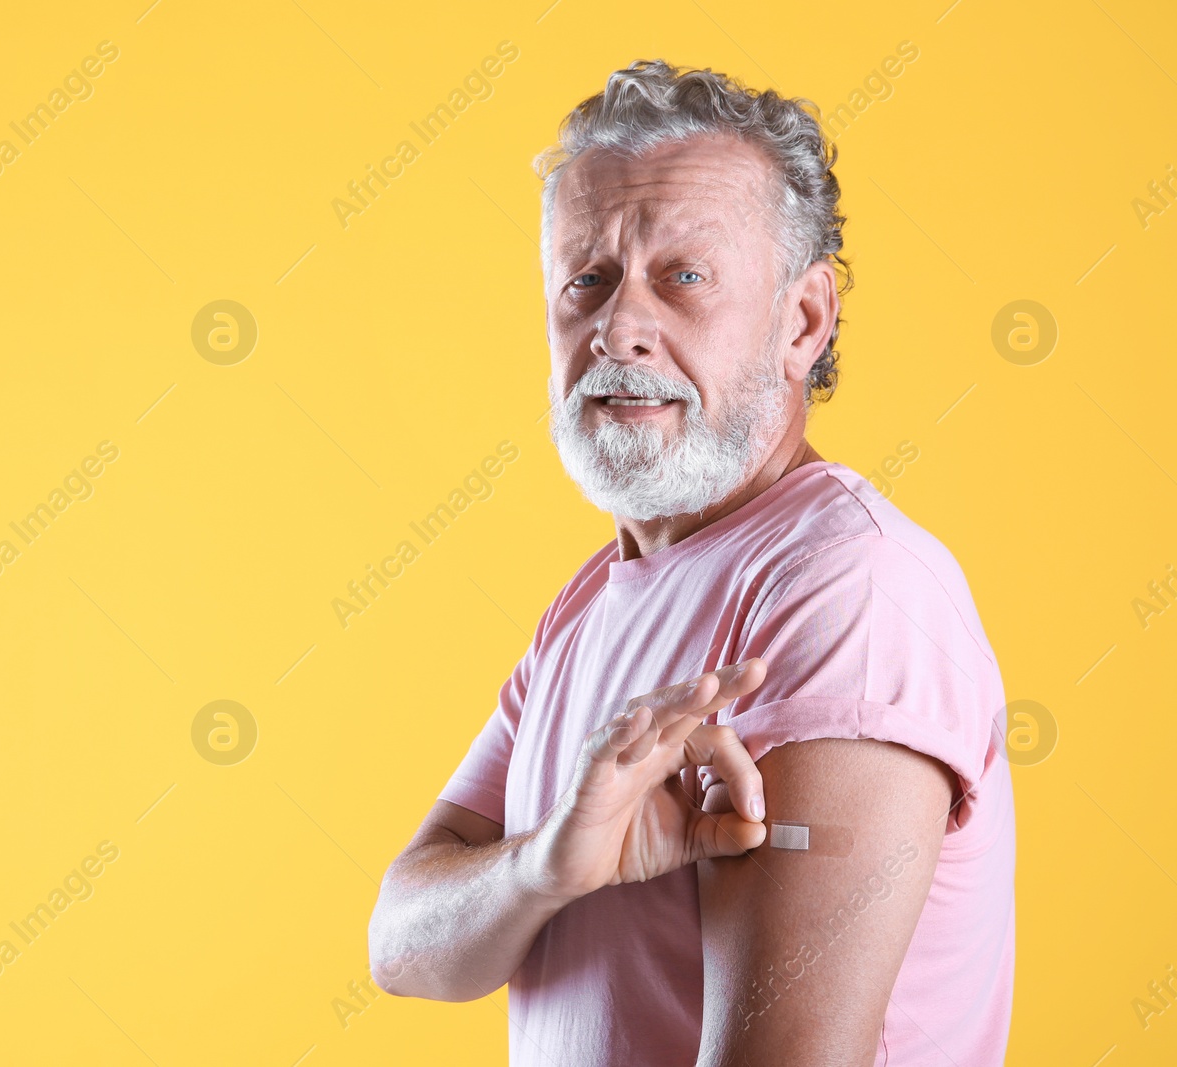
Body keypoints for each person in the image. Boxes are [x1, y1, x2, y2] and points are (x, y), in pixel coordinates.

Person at [366, 59, 1015, 1066]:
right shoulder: (590, 601)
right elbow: (403, 943)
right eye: (586, 279)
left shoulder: (848, 590)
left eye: (684, 277)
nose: (619, 325)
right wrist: (546, 867)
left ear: (803, 320)